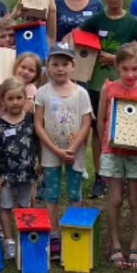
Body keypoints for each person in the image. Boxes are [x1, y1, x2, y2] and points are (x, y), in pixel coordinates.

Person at [81, 0, 137, 196]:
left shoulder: (132, 22)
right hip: (98, 82)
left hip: (124, 82)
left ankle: (125, 174)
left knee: (126, 123)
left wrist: (116, 59)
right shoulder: (97, 19)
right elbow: (77, 38)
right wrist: (89, 56)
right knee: (98, 128)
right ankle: (101, 175)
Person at [35, 45, 94, 254]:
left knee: (74, 191)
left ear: (73, 66)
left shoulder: (81, 93)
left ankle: (74, 230)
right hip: (50, 151)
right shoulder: (42, 92)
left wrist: (72, 149)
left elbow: (86, 123)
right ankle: (53, 233)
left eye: (65, 64)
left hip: (74, 152)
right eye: (55, 64)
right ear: (48, 66)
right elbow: (38, 125)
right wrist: (55, 150)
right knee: (51, 192)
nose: (60, 69)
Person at [98, 42, 137, 268]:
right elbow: (101, 120)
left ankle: (136, 245)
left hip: (136, 151)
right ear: (117, 66)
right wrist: (106, 143)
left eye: (135, 69)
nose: (130, 74)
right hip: (113, 151)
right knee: (115, 198)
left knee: (135, 199)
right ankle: (115, 244)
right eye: (125, 69)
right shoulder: (109, 88)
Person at [0, 75, 39, 263]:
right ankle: (9, 240)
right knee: (5, 206)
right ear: (3, 100)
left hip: (26, 172)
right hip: (6, 174)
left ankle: (24, 237)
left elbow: (38, 144)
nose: (15, 102)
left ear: (25, 98)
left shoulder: (31, 120)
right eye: (10, 98)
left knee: (25, 205)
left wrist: (40, 163)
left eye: (19, 98)